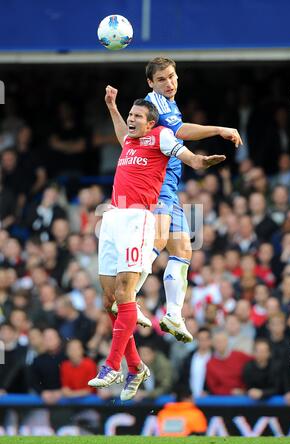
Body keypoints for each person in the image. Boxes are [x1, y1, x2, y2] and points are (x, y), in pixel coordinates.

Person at [88, 87, 226, 400]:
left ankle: (112, 365)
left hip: (139, 220)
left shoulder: (161, 136)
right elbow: (122, 132)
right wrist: (112, 106)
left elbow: (187, 156)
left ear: (150, 123)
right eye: (130, 115)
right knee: (110, 299)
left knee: (125, 293)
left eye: (137, 116)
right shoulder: (130, 140)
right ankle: (136, 367)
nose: (131, 120)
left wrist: (202, 162)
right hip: (112, 218)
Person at [110, 57, 242, 343]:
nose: (169, 83)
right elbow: (180, 132)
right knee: (156, 242)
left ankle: (173, 314)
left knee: (183, 248)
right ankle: (126, 297)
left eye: (172, 77)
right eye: (162, 79)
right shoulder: (154, 107)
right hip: (157, 185)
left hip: (170, 186)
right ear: (150, 83)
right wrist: (220, 129)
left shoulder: (167, 103)